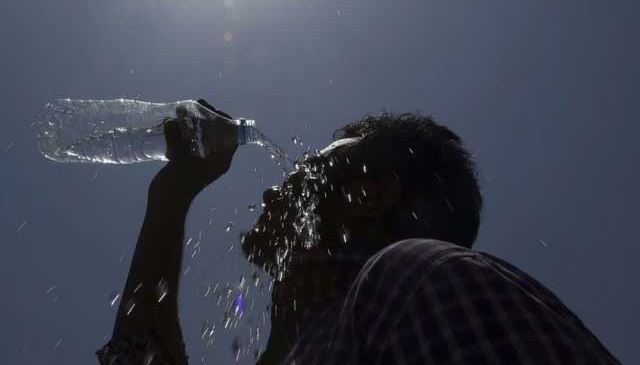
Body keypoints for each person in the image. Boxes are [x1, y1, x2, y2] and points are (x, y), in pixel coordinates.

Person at [98, 102, 620, 364]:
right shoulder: (312, 345)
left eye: (304, 170)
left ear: (368, 194)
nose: (273, 194)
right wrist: (170, 195)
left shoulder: (416, 283)